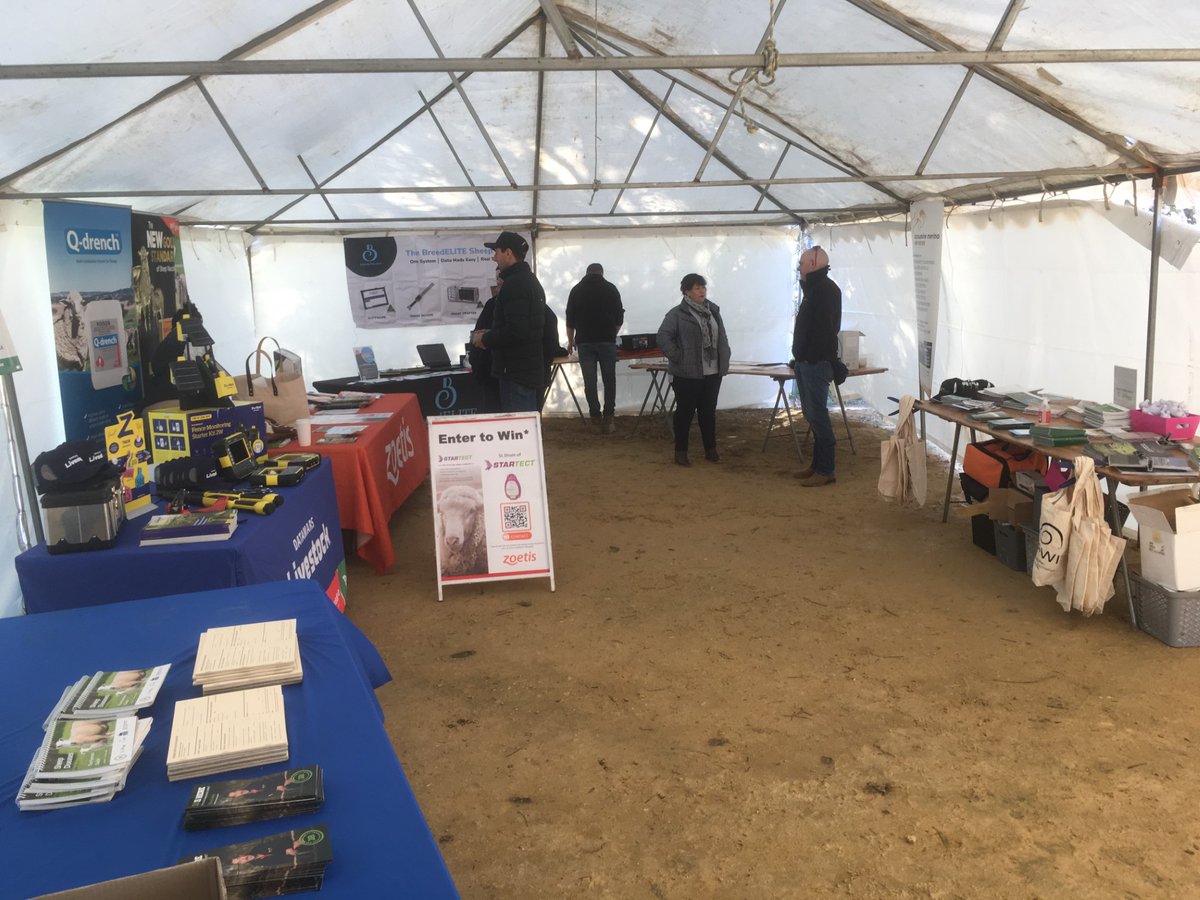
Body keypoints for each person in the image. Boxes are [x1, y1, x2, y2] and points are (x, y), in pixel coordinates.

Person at [655, 273, 731, 466]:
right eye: (697, 288)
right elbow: (663, 337)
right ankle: (681, 451)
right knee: (685, 413)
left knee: (708, 412)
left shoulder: (713, 311)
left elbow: (721, 336)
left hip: (712, 371)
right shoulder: (677, 314)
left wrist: (725, 355)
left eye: (703, 287)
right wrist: (679, 356)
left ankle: (711, 449)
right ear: (686, 291)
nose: (702, 291)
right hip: (687, 373)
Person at [472, 232, 545, 412]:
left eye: (496, 251)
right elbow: (520, 326)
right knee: (524, 429)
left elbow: (516, 331)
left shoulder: (515, 284)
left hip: (515, 373)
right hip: (523, 370)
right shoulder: (527, 280)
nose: (493, 257)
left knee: (519, 431)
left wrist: (485, 339)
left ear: (508, 253)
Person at [791, 245, 842, 487]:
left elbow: (825, 330)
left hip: (816, 362)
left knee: (818, 416)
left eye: (801, 263)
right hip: (807, 361)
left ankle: (826, 468)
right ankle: (817, 465)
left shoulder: (825, 290)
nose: (798, 268)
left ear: (812, 264)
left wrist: (809, 356)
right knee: (812, 415)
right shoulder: (815, 288)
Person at [566, 263, 625, 433]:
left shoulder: (576, 290)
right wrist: (611, 334)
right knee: (609, 381)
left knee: (590, 382)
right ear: (602, 273)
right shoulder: (611, 289)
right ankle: (609, 419)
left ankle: (595, 419)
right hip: (607, 341)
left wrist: (571, 341)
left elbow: (570, 319)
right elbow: (619, 317)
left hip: (584, 342)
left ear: (587, 273)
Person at [466, 269, 502, 413]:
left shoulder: (496, 304)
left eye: (500, 277)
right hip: (491, 371)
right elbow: (475, 338)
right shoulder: (491, 304)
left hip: (503, 373)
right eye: (496, 277)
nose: (497, 281)